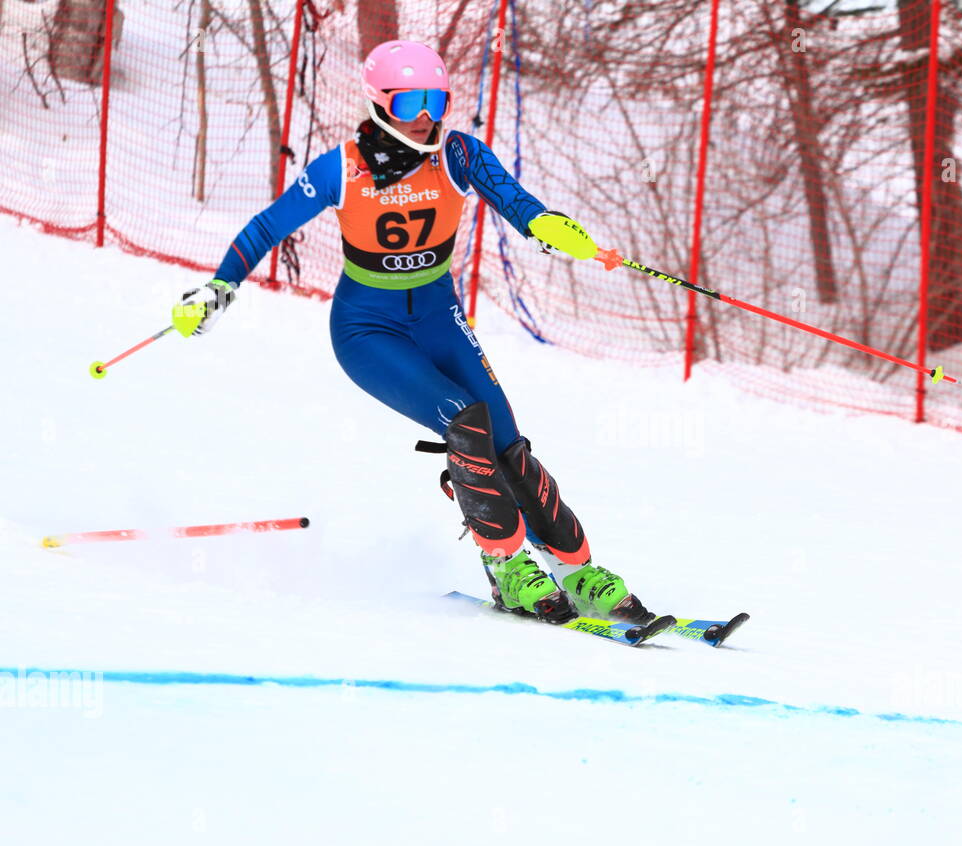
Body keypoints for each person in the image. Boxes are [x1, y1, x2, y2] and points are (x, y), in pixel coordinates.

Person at [172, 39, 647, 625]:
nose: (425, 115)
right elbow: (267, 227)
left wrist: (560, 232)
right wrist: (220, 286)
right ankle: (505, 565)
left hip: (437, 317)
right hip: (368, 330)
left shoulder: (459, 156)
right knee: (463, 421)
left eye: (436, 100)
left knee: (505, 437)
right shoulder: (342, 167)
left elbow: (521, 205)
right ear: (379, 104)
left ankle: (578, 570)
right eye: (409, 102)